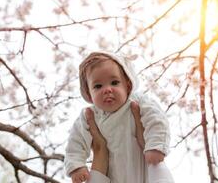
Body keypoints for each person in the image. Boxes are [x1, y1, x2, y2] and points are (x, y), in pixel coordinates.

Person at [64, 51, 174, 183]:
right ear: (89, 94)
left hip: (144, 170)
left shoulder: (138, 101)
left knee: (157, 172)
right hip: (112, 176)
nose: (107, 89)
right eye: (98, 86)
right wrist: (76, 166)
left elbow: (157, 119)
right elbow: (76, 141)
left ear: (127, 85)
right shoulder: (90, 116)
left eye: (114, 82)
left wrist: (156, 145)